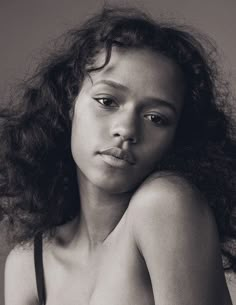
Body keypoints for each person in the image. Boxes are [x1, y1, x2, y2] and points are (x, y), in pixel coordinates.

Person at [1, 6, 236, 305]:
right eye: (107, 101)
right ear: (69, 102)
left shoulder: (164, 204)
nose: (126, 129)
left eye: (156, 118)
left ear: (179, 137)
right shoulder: (27, 263)